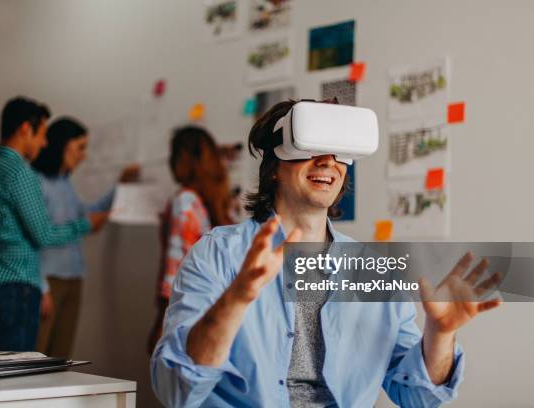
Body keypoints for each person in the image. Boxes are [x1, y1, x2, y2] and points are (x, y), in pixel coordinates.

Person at [150, 100, 502, 407]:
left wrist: (439, 334)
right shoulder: (217, 255)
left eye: (338, 151)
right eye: (310, 147)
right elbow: (177, 391)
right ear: (274, 167)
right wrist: (236, 300)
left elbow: (417, 397)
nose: (327, 161)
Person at [0, 97, 106, 352]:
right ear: (24, 129)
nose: (44, 143)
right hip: (16, 289)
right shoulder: (21, 173)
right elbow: (43, 234)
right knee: (19, 381)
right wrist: (84, 225)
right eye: (41, 134)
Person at [32, 117, 139, 358]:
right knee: (36, 354)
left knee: (60, 357)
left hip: (73, 278)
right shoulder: (37, 183)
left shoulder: (64, 184)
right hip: (48, 281)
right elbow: (34, 238)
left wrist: (120, 186)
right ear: (62, 145)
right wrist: (41, 286)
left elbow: (88, 215)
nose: (84, 155)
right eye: (80, 147)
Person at [147, 126, 233, 354]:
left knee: (175, 384)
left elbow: (176, 265)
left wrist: (160, 321)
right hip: (213, 307)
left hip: (186, 309)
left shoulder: (185, 201)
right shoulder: (214, 200)